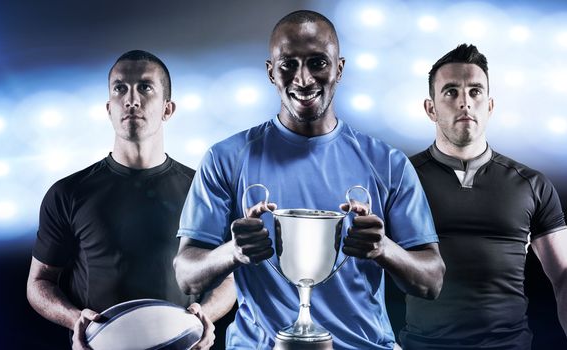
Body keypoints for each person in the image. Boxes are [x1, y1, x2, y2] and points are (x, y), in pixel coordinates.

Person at [173, 10, 445, 350]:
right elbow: (186, 274)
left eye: (317, 62)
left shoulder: (387, 163)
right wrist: (233, 251)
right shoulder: (226, 158)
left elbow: (431, 281)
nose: (303, 79)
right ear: (271, 72)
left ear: (339, 69)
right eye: (288, 65)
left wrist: (384, 249)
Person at [26, 50, 235, 350]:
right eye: (120, 88)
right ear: (109, 107)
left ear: (168, 109)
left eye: (145, 87)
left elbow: (228, 279)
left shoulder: (203, 191)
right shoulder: (68, 193)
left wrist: (206, 316)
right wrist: (75, 319)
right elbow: (39, 282)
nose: (131, 99)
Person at [400, 44, 567, 350]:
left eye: (475, 91)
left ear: (489, 106)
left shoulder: (531, 184)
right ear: (431, 108)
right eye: (451, 91)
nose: (465, 102)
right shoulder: (399, 178)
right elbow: (364, 266)